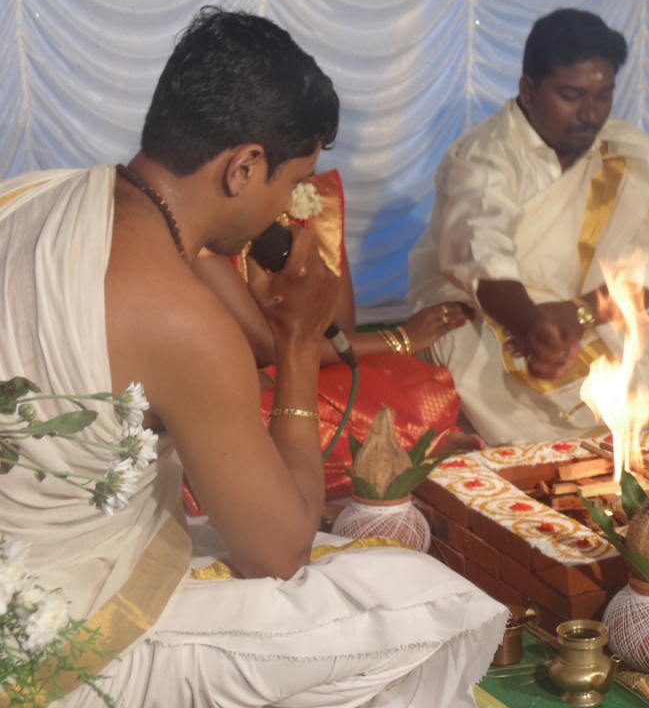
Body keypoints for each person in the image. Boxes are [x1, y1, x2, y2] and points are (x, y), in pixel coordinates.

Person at [0, 7, 505, 706]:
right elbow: (278, 554)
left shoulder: (30, 195)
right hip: (56, 640)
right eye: (292, 184)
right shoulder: (182, 319)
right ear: (243, 167)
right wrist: (297, 346)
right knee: (430, 603)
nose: (287, 209)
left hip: (32, 556)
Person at [409, 8, 649, 445]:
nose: (590, 113)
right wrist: (533, 327)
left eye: (603, 96)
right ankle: (593, 435)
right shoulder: (486, 158)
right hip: (502, 313)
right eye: (572, 95)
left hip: (593, 307)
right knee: (459, 343)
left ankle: (638, 418)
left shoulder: (622, 145)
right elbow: (482, 260)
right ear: (529, 90)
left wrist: (581, 312)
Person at [191, 168, 478, 504]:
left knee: (421, 385)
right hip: (242, 382)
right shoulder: (204, 217)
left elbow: (341, 329)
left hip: (310, 365)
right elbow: (266, 346)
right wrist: (400, 339)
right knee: (243, 429)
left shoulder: (315, 197)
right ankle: (410, 454)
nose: (298, 188)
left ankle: (410, 451)